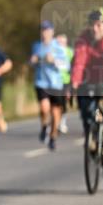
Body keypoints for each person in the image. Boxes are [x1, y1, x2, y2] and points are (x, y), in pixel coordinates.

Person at [30, 20, 69, 151]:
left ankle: (53, 137)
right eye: (42, 30)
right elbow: (31, 62)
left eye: (47, 30)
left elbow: (66, 66)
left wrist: (54, 61)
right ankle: (44, 126)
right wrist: (33, 60)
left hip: (56, 84)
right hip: (41, 82)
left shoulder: (58, 47)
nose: (44, 33)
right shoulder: (36, 46)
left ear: (52, 32)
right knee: (44, 108)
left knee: (55, 111)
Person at [71, 9, 103, 136]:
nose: (95, 28)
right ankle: (92, 135)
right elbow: (79, 63)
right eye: (92, 24)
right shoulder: (84, 39)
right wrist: (75, 83)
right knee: (87, 111)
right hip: (90, 82)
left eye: (99, 24)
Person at [56, 33, 73, 134]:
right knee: (54, 103)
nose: (61, 44)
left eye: (63, 42)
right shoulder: (53, 52)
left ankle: (62, 122)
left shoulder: (70, 52)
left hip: (66, 81)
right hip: (54, 82)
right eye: (59, 42)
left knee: (63, 102)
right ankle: (55, 123)